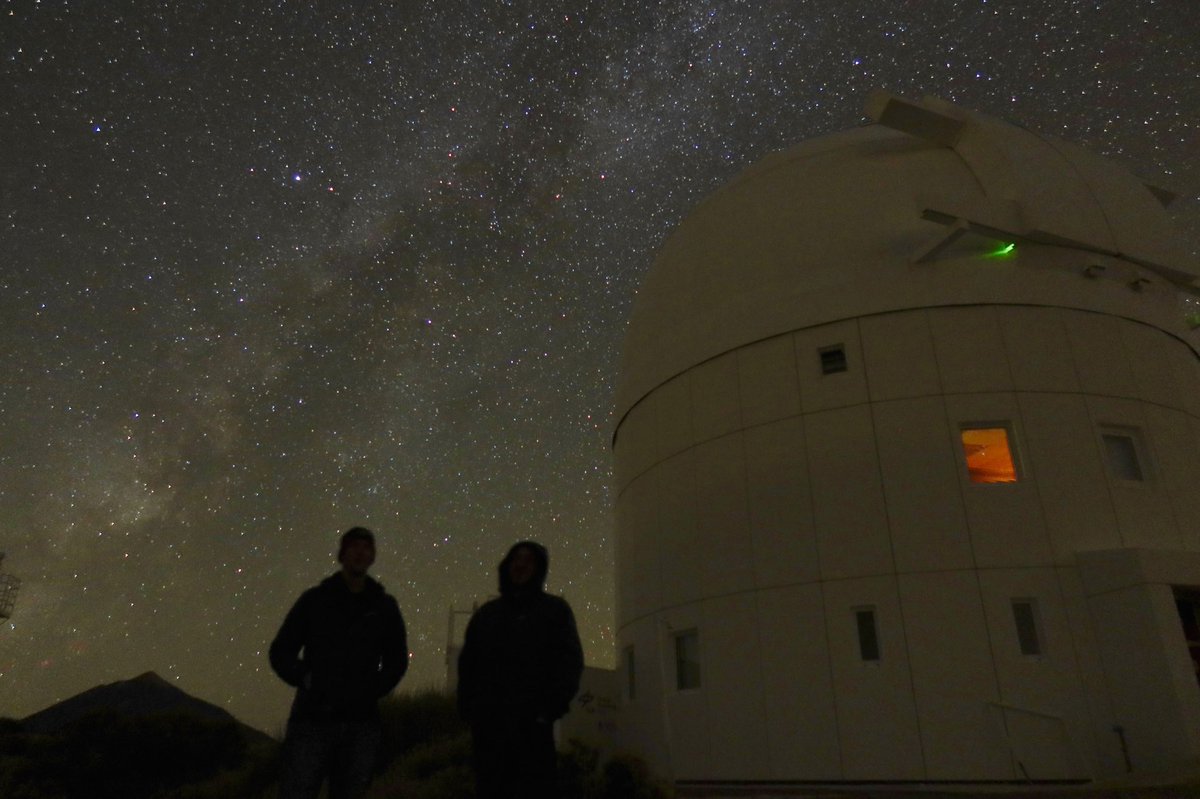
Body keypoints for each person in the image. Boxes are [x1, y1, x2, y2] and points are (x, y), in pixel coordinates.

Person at [269, 526, 408, 799]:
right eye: (354, 546)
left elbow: (397, 660)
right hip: (313, 719)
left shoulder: (384, 607)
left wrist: (373, 689)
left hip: (361, 722)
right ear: (342, 554)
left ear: (373, 556)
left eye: (366, 547)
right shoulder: (314, 601)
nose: (360, 553)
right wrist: (305, 677)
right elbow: (281, 651)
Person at [456, 540, 584, 799]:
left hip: (533, 731)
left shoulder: (554, 611)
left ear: (539, 569)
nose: (521, 565)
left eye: (529, 560)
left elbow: (569, 662)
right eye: (516, 559)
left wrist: (548, 710)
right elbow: (468, 664)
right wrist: (471, 710)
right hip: (489, 731)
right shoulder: (487, 615)